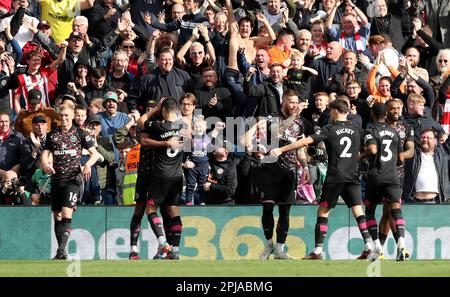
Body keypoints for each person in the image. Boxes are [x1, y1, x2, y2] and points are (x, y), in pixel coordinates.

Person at [271, 99, 374, 259]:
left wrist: (281, 149)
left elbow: (305, 141)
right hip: (352, 176)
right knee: (358, 210)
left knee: (323, 212)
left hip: (335, 176)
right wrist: (357, 158)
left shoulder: (330, 128)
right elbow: (370, 149)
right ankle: (369, 247)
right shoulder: (357, 129)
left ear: (334, 111)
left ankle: (318, 251)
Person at [244, 90, 309, 260]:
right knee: (267, 208)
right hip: (269, 169)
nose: (295, 105)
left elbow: (300, 147)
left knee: (285, 211)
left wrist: (305, 166)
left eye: (296, 102)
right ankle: (269, 244)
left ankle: (280, 249)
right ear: (283, 102)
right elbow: (278, 131)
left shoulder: (300, 122)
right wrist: (293, 115)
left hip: (289, 171)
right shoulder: (273, 117)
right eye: (291, 102)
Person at [41, 103, 100, 260]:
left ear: (73, 116)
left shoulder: (80, 133)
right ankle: (61, 251)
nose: (64, 118)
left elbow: (95, 154)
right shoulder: (52, 135)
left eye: (67, 115)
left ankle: (61, 250)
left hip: (73, 179)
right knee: (57, 215)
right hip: (56, 179)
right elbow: (44, 154)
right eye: (62, 115)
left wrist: (87, 164)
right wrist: (46, 164)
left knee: (67, 213)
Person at [138, 97, 186, 260]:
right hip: (178, 176)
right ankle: (176, 250)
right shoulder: (184, 126)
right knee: (173, 211)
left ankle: (163, 242)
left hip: (161, 175)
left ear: (164, 110)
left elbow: (141, 122)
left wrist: (155, 109)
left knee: (150, 208)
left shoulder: (158, 126)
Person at [361, 103, 408, 261]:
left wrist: (360, 157)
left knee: (370, 211)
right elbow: (401, 159)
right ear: (386, 114)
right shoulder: (394, 131)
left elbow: (373, 150)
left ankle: (378, 247)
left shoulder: (371, 130)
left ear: (373, 114)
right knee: (396, 210)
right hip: (393, 177)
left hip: (376, 176)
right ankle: (401, 243)